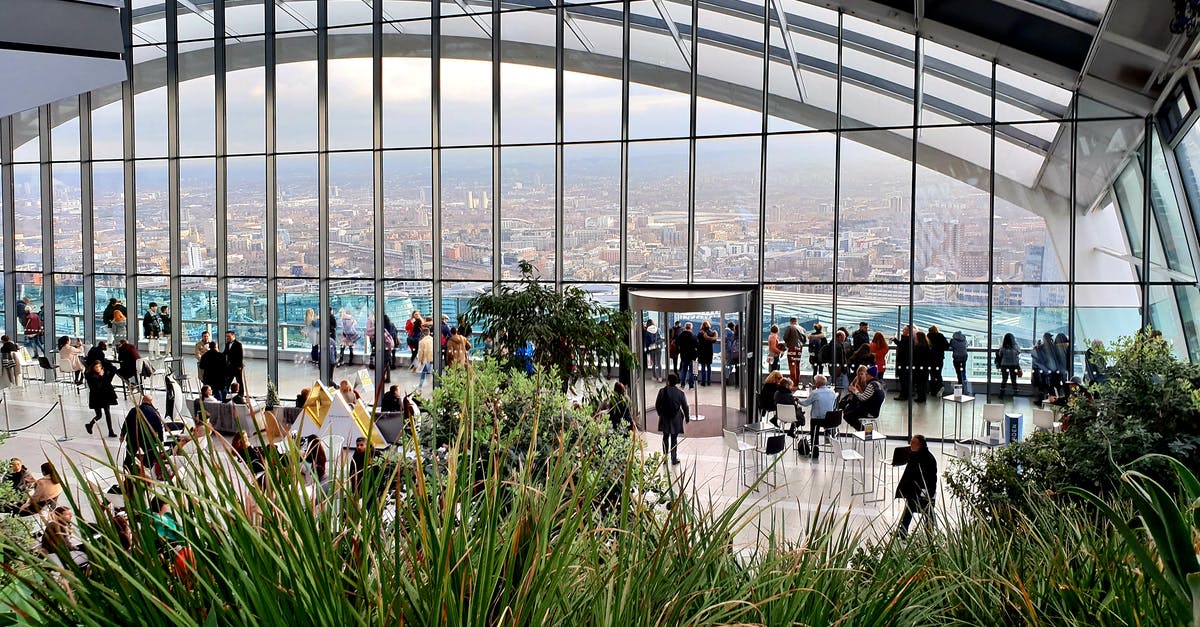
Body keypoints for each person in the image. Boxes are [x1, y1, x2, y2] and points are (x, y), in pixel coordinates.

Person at [895, 434, 938, 539]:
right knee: (909, 510)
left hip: (924, 492)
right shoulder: (915, 455)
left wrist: (927, 492)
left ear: (920, 445)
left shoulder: (928, 459)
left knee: (926, 513)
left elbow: (931, 479)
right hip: (915, 491)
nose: (911, 444)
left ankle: (929, 534)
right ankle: (903, 532)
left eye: (913, 442)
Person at [121, 395, 164, 474]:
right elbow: (159, 428)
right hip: (147, 439)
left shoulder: (133, 410)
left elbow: (126, 423)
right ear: (150, 402)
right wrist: (161, 440)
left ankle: (127, 470)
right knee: (151, 456)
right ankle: (150, 472)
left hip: (133, 438)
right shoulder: (154, 412)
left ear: (142, 401)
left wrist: (122, 435)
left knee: (129, 456)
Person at [799, 375, 838, 458]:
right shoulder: (832, 392)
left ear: (816, 384)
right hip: (830, 420)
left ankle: (814, 452)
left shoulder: (815, 393)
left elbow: (805, 403)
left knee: (814, 433)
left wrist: (797, 400)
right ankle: (829, 439)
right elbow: (833, 406)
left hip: (817, 420)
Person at [654, 374, 689, 465]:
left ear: (668, 381)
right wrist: (687, 417)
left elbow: (657, 405)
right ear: (676, 382)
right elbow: (685, 406)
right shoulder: (680, 393)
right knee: (674, 438)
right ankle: (674, 458)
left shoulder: (662, 391)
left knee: (665, 437)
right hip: (676, 418)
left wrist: (660, 414)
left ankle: (665, 458)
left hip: (665, 418)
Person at [843, 366, 885, 431]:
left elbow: (862, 398)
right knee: (848, 412)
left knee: (847, 415)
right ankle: (864, 430)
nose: (865, 376)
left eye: (866, 374)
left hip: (870, 411)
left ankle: (864, 431)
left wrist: (855, 391)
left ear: (870, 375)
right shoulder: (878, 384)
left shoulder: (871, 385)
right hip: (873, 410)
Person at [84, 360, 118, 437]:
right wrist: (101, 376)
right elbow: (96, 387)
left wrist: (107, 364)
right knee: (99, 415)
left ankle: (110, 431)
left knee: (107, 413)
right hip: (96, 397)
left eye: (99, 366)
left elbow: (112, 371)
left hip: (105, 396)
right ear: (93, 367)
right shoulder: (90, 376)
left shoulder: (104, 373)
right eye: (96, 367)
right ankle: (90, 425)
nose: (98, 368)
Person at [891, 326, 914, 401]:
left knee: (903, 380)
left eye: (904, 329)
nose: (902, 330)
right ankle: (906, 394)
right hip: (906, 363)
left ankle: (903, 395)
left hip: (903, 363)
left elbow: (902, 348)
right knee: (905, 380)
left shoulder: (906, 340)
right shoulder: (909, 340)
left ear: (907, 331)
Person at [1031, 332, 1056, 398]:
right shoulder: (1053, 347)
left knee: (1043, 385)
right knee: (1050, 386)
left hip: (1043, 369)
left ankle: (1042, 399)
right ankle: (1052, 399)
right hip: (1051, 369)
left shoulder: (1040, 347)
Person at [674, 322, 698, 389]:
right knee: (691, 371)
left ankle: (682, 384)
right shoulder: (693, 336)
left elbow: (676, 342)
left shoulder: (681, 335)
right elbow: (697, 345)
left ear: (685, 327)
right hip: (692, 356)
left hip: (684, 355)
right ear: (691, 328)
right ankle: (691, 385)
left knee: (683, 371)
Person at [927, 325, 949, 397]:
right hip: (939, 358)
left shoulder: (928, 336)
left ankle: (933, 391)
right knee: (938, 373)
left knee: (932, 374)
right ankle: (940, 386)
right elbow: (946, 346)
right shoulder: (941, 336)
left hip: (930, 358)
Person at [783, 318, 807, 383]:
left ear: (791, 322)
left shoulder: (790, 328)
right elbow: (805, 340)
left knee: (792, 364)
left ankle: (793, 382)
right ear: (797, 322)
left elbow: (785, 337)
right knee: (797, 365)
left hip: (792, 348)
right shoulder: (802, 329)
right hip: (799, 349)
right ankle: (797, 382)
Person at [696, 321, 718, 386]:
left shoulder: (700, 333)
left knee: (703, 367)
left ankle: (703, 382)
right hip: (709, 352)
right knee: (709, 367)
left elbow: (697, 341)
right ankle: (709, 381)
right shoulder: (711, 333)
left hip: (702, 352)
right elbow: (714, 340)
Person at [912, 331, 932, 403]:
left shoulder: (917, 347)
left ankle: (920, 397)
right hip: (925, 367)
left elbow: (915, 358)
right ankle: (923, 397)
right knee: (923, 382)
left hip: (918, 367)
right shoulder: (927, 346)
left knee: (919, 383)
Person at [224, 330, 245, 395]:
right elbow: (225, 353)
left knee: (239, 381)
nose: (227, 338)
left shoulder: (238, 344)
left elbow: (240, 356)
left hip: (236, 367)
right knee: (227, 381)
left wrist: (239, 366)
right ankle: (225, 394)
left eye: (229, 336)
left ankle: (241, 394)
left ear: (233, 336)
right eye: (226, 336)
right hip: (229, 366)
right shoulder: (227, 344)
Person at [723, 322, 741, 386]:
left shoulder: (725, 332)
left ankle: (727, 380)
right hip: (737, 353)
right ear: (732, 327)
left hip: (730, 353)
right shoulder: (732, 334)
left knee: (728, 365)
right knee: (735, 367)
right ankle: (735, 381)